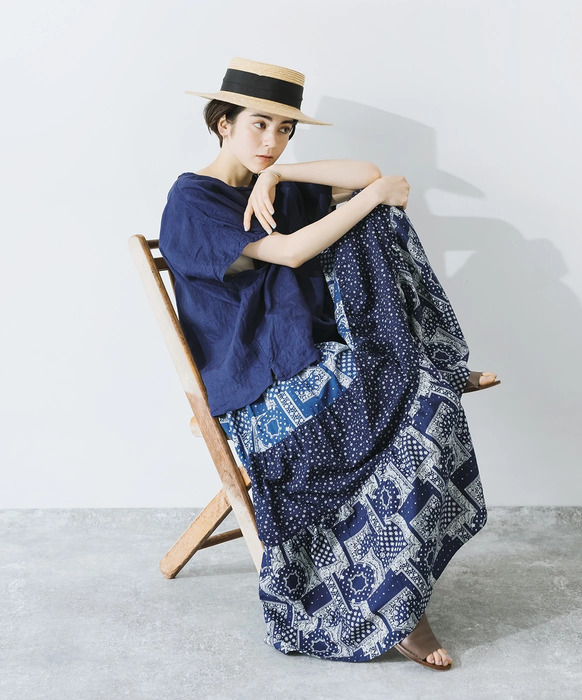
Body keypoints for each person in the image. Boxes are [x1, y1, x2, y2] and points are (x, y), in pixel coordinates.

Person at [158, 57, 501, 668]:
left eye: (285, 130)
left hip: (310, 353)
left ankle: (402, 591)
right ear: (222, 122)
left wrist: (279, 174)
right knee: (421, 399)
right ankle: (401, 610)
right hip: (258, 379)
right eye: (259, 124)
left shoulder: (271, 184)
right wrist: (370, 197)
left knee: (377, 226)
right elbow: (292, 253)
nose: (271, 140)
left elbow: (368, 174)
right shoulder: (192, 199)